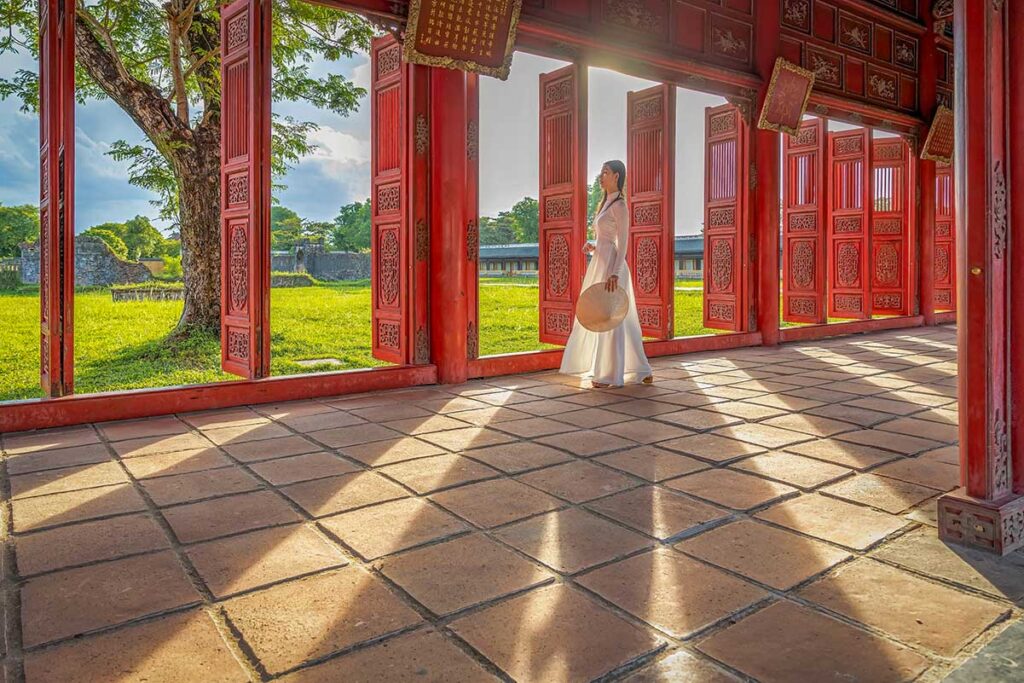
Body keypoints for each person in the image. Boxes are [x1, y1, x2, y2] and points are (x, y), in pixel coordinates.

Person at [560, 160, 653, 388]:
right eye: (601, 172)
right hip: (600, 263)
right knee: (614, 316)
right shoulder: (606, 204)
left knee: (612, 318)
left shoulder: (620, 206)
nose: (601, 176)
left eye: (606, 172)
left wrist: (616, 272)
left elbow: (623, 243)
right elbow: (607, 238)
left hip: (613, 267)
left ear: (617, 176)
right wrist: (594, 246)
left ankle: (609, 374)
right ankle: (641, 369)